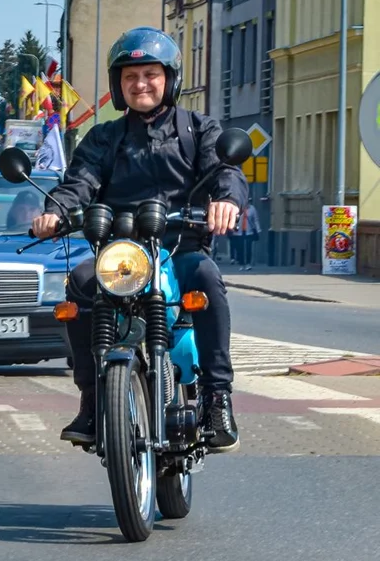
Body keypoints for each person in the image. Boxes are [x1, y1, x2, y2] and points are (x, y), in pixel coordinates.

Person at [31, 26, 247, 453]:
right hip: (122, 255)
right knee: (81, 281)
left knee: (205, 276)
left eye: (150, 74)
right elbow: (80, 182)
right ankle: (93, 401)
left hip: (179, 247)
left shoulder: (198, 130)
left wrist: (226, 200)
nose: (140, 84)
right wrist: (55, 211)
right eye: (130, 76)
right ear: (118, 85)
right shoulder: (104, 138)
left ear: (170, 78)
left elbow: (225, 169)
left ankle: (217, 398)